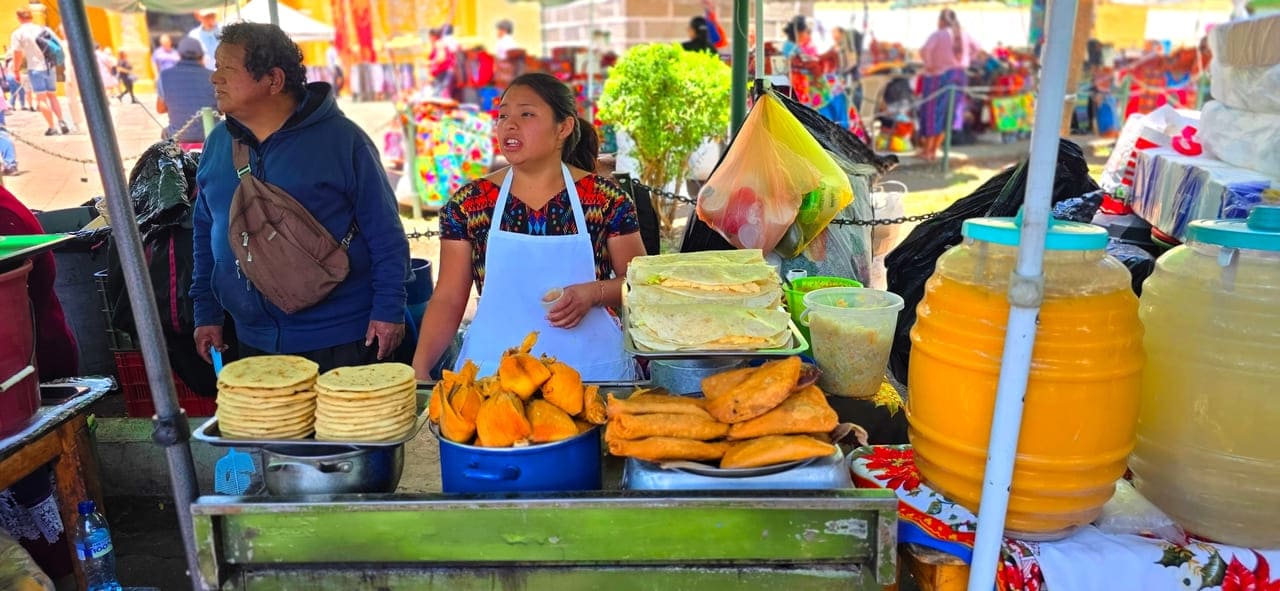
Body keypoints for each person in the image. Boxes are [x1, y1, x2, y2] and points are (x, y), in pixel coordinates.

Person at [191, 22, 409, 372]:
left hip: (343, 338)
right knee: (276, 429)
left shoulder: (342, 141)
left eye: (227, 68)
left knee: (347, 428)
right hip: (253, 340)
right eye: (216, 67)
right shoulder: (217, 144)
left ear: (273, 80)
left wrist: (388, 310)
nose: (215, 78)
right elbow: (205, 230)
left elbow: (385, 233)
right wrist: (206, 311)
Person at [412, 73, 645, 381]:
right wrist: (419, 370)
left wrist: (595, 293)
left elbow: (640, 285)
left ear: (563, 127)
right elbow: (448, 298)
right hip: (495, 375)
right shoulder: (470, 204)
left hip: (592, 374)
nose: (509, 124)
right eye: (503, 115)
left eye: (527, 114)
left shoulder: (605, 199)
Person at [917, 8, 981, 162]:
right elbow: (977, 48)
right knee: (949, 114)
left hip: (938, 77)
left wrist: (930, 65)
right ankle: (934, 150)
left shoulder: (939, 34)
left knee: (933, 113)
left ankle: (928, 151)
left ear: (941, 20)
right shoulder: (964, 34)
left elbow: (925, 50)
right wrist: (966, 59)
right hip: (959, 76)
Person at [9, 10, 70, 136]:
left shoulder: (18, 33)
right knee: (52, 96)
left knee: (41, 98)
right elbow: (58, 44)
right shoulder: (44, 29)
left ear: (18, 18)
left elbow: (17, 54)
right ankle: (61, 121)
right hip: (50, 66)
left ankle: (52, 127)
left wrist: (16, 70)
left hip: (35, 68)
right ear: (31, 16)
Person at [157, 37, 215, 146]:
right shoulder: (213, 76)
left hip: (178, 137)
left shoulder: (165, 76)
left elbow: (160, 109)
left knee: (164, 134)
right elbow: (221, 109)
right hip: (211, 135)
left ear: (179, 56)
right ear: (201, 56)